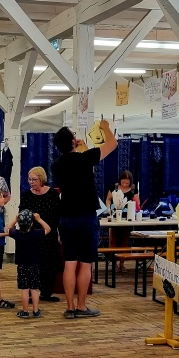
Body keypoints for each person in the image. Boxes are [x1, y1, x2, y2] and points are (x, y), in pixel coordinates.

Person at [51, 120, 118, 319]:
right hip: (87, 216)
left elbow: (71, 159)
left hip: (67, 216)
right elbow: (112, 144)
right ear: (73, 141)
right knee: (86, 263)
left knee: (70, 262)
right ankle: (81, 306)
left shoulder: (56, 165)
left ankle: (70, 307)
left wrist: (76, 146)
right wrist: (105, 128)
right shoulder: (86, 158)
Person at [18, 167, 62, 302]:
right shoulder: (26, 195)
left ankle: (46, 292)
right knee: (33, 264)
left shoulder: (52, 194)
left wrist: (59, 233)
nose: (31, 182)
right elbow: (22, 215)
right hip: (32, 236)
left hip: (49, 234)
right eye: (29, 179)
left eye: (34, 179)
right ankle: (32, 292)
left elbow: (58, 215)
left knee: (49, 264)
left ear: (41, 179)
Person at [9, 209, 51, 319]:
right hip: (34, 265)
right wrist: (39, 219)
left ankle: (25, 311)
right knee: (35, 289)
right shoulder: (36, 233)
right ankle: (36, 311)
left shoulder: (17, 234)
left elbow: (8, 229)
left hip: (22, 266)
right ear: (31, 223)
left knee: (24, 289)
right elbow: (48, 229)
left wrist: (15, 219)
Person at [106, 170, 136, 272]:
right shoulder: (114, 187)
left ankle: (122, 264)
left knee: (124, 241)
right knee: (113, 240)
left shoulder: (133, 190)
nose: (124, 185)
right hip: (115, 217)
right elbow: (108, 199)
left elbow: (137, 202)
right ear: (120, 181)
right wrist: (108, 209)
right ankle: (114, 263)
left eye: (127, 183)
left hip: (127, 218)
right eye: (123, 182)